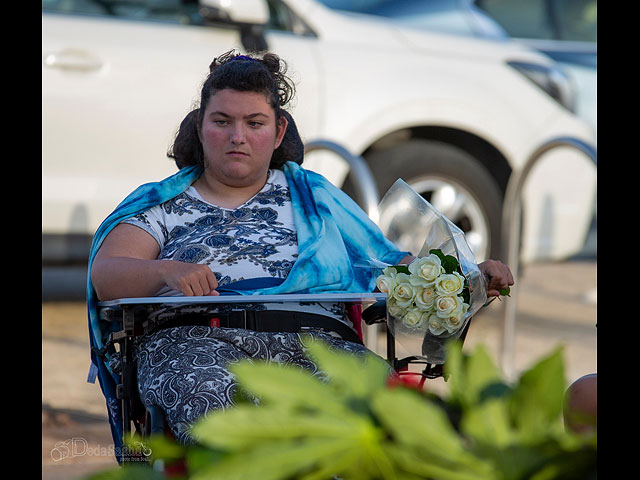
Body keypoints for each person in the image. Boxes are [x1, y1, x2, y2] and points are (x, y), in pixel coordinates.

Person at [88, 50, 514, 449]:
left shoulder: (313, 195)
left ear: (278, 132)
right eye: (222, 121)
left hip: (319, 343)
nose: (238, 136)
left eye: (254, 123)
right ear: (200, 127)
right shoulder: (161, 204)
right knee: (218, 411)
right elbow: (107, 273)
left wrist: (469, 278)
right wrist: (166, 271)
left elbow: (395, 266)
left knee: (379, 419)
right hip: (197, 341)